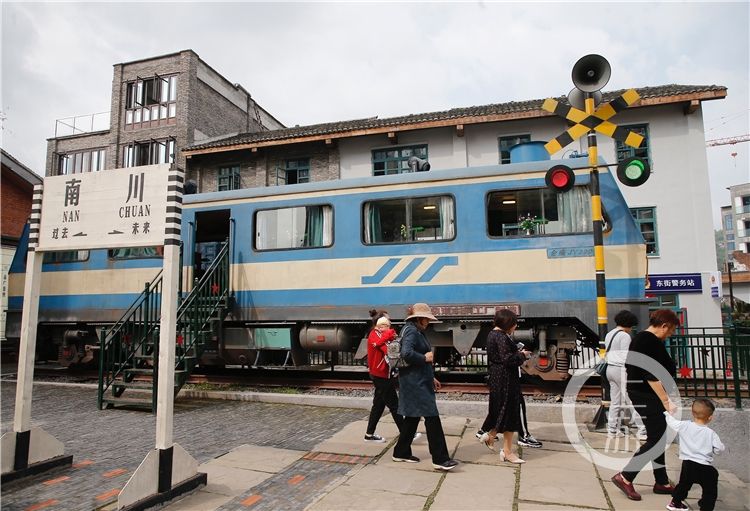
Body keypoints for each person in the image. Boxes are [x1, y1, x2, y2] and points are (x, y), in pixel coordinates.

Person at [611, 309, 680, 501]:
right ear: (664, 325)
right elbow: (650, 374)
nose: (671, 334)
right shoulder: (647, 340)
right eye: (671, 330)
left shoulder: (644, 339)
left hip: (644, 394)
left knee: (658, 437)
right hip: (646, 395)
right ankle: (625, 477)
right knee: (656, 440)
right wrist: (666, 401)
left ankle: (662, 481)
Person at [392, 303, 459, 471]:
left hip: (417, 379)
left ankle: (401, 452)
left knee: (413, 417)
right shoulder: (413, 332)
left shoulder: (413, 330)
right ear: (419, 319)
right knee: (432, 416)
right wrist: (425, 358)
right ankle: (440, 458)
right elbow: (406, 353)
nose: (428, 322)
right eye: (427, 319)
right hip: (415, 382)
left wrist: (431, 376)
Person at [477, 309, 531, 463]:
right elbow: (507, 359)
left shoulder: (492, 334)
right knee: (510, 413)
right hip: (506, 379)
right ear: (508, 324)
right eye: (514, 324)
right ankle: (507, 452)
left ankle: (490, 436)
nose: (515, 327)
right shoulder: (501, 336)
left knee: (502, 410)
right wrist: (522, 355)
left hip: (498, 377)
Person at [665, 399, 725, 511]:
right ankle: (706, 508)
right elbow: (719, 449)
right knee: (710, 490)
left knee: (684, 484)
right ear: (710, 417)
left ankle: (675, 503)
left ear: (692, 413)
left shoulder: (684, 425)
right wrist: (715, 450)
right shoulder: (711, 434)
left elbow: (672, 423)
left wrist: (668, 414)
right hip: (704, 467)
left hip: (687, 464)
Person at [605, 310, 647, 439]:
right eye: (632, 325)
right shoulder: (624, 336)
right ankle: (642, 430)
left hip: (610, 369)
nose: (632, 328)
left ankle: (612, 430)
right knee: (632, 399)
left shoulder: (609, 334)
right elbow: (627, 356)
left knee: (615, 401)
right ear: (629, 324)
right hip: (621, 370)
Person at [364, 310, 404, 443]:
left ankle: (369, 434)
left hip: (382, 374)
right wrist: (390, 334)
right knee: (394, 404)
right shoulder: (374, 335)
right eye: (387, 322)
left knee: (379, 405)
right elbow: (386, 349)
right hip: (380, 375)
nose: (389, 323)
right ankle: (406, 432)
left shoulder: (381, 335)